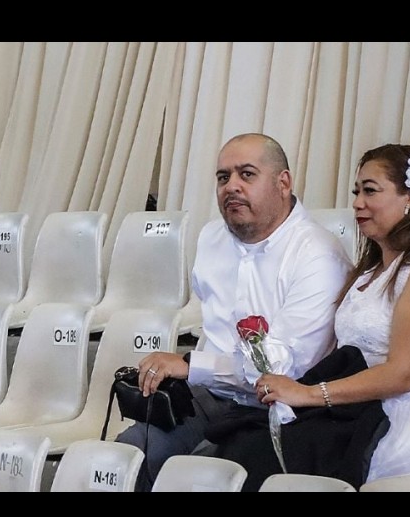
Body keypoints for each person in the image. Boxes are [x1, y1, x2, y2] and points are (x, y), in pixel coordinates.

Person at [115, 132, 353, 491]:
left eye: (247, 174)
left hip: (278, 413)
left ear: (283, 183)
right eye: (223, 177)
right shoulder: (212, 238)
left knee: (200, 476)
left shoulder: (318, 255)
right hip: (210, 398)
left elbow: (284, 371)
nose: (231, 186)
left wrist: (192, 366)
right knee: (128, 456)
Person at [252, 143, 410, 485]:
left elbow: (403, 375)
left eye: (370, 191)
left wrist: (308, 394)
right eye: (356, 192)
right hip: (362, 407)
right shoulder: (370, 272)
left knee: (270, 458)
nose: (357, 203)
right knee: (249, 444)